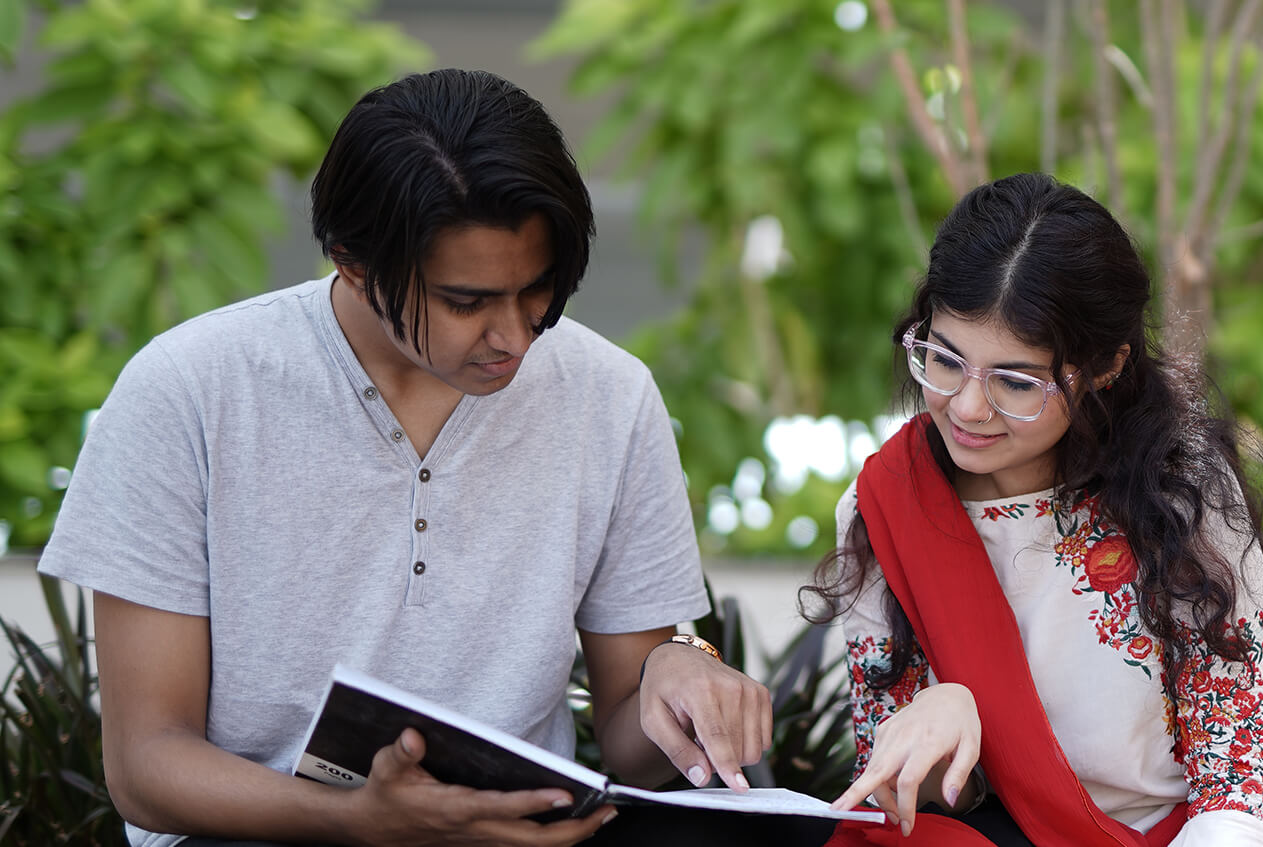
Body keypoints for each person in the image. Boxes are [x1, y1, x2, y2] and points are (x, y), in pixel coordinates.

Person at [36, 69, 774, 847]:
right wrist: (356, 822)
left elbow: (629, 739)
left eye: (540, 291)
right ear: (353, 262)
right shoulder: (188, 389)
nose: (516, 337)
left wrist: (676, 682)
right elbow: (145, 762)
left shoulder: (612, 395)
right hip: (261, 834)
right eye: (467, 301)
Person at [800, 173, 1263, 847]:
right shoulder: (883, 507)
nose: (968, 406)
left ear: (1105, 365)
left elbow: (1239, 776)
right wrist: (944, 717)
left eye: (1015, 381)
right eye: (945, 361)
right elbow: (897, 793)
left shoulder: (1179, 487)